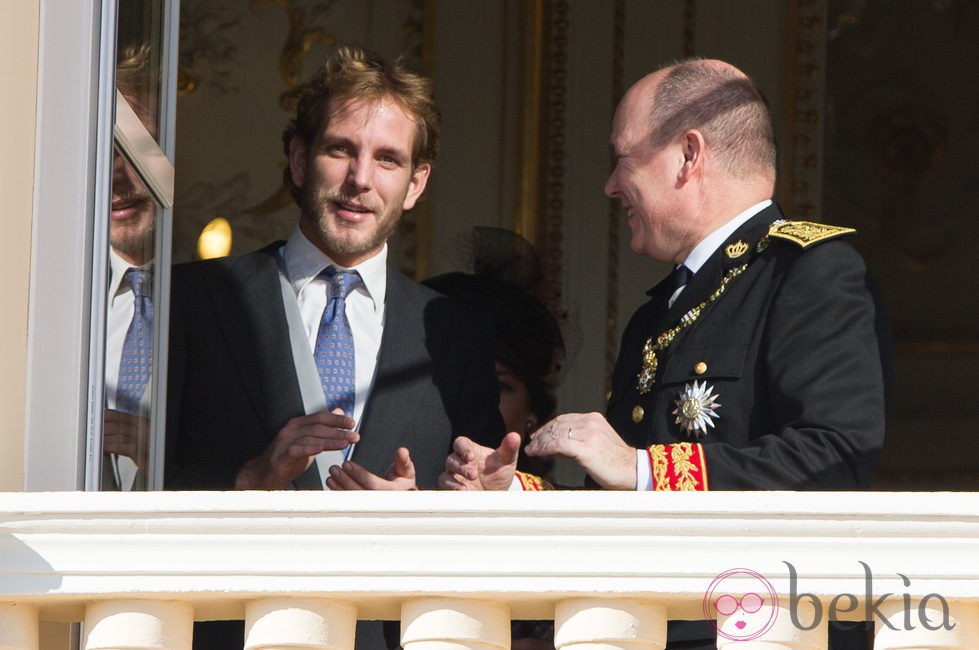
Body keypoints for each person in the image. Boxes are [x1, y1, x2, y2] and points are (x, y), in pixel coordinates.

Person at [441, 57, 891, 650]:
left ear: (688, 155)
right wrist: (515, 493)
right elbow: (633, 514)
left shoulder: (811, 272)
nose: (608, 185)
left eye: (623, 159)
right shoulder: (656, 316)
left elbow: (835, 459)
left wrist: (642, 468)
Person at [164, 46, 505, 649]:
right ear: (298, 160)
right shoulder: (192, 301)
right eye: (340, 149)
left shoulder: (457, 335)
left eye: (389, 159)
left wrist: (428, 514)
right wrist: (250, 479)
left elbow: (478, 520)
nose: (360, 180)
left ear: (417, 183)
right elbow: (129, 485)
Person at [102, 43, 160, 490]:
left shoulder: (223, 304)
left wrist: (161, 454)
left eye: (137, 147)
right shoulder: (37, 304)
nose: (118, 174)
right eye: (103, 150)